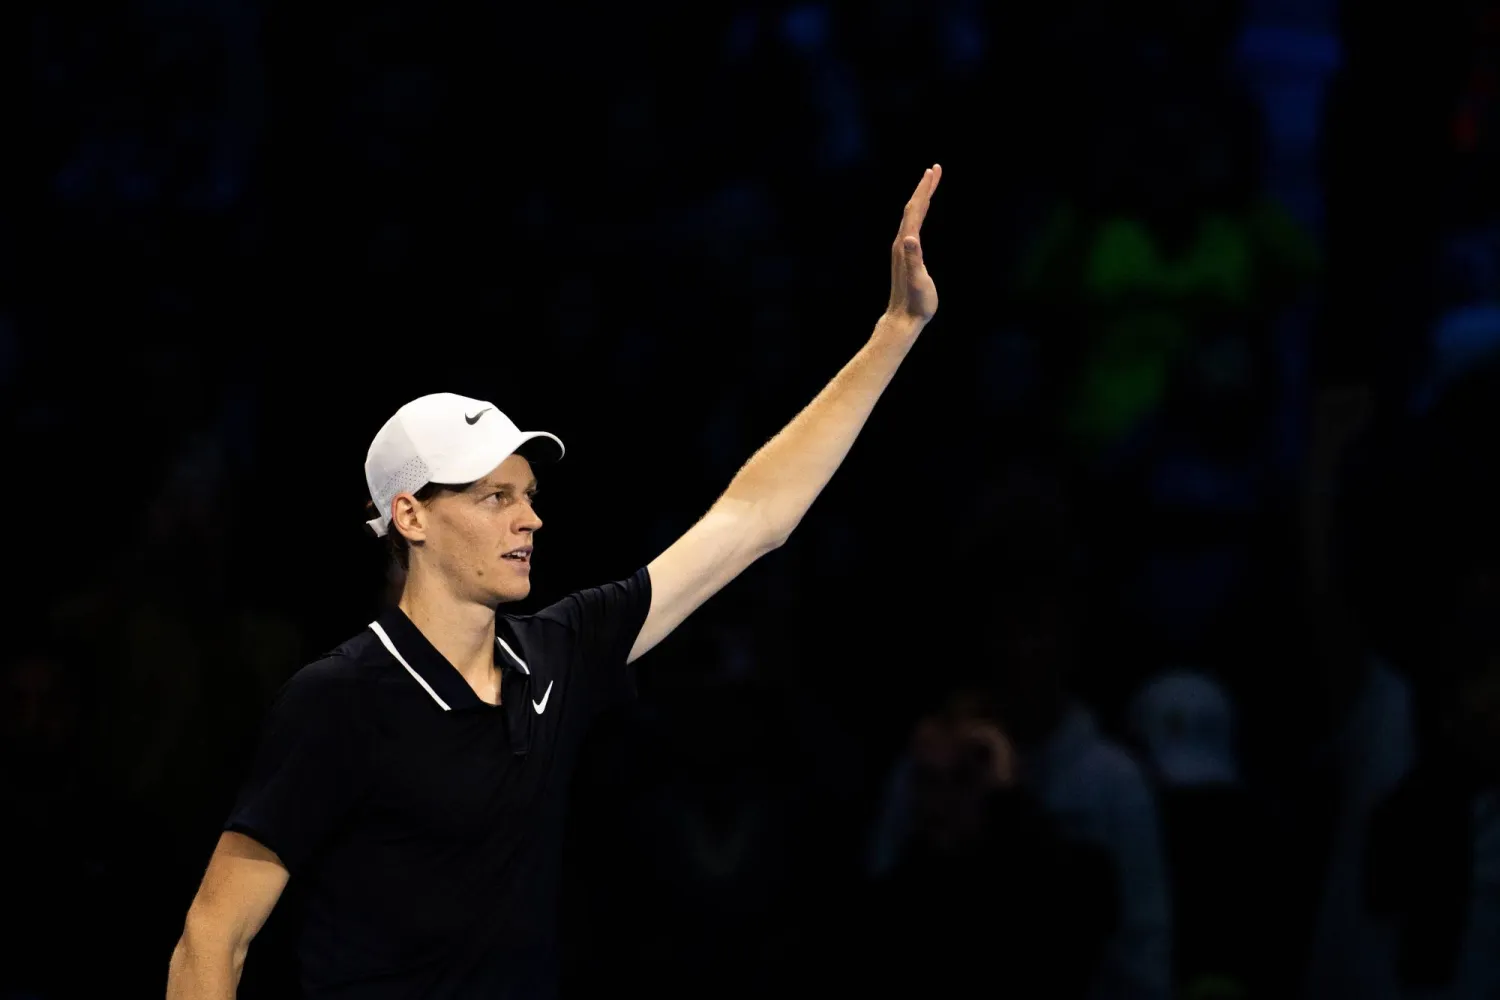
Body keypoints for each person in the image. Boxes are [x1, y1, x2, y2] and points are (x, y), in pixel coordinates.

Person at [165, 164, 944, 1000]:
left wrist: (894, 333)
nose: (528, 519)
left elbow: (753, 519)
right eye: (493, 497)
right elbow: (212, 939)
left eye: (528, 496)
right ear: (412, 518)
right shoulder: (339, 700)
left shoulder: (561, 652)